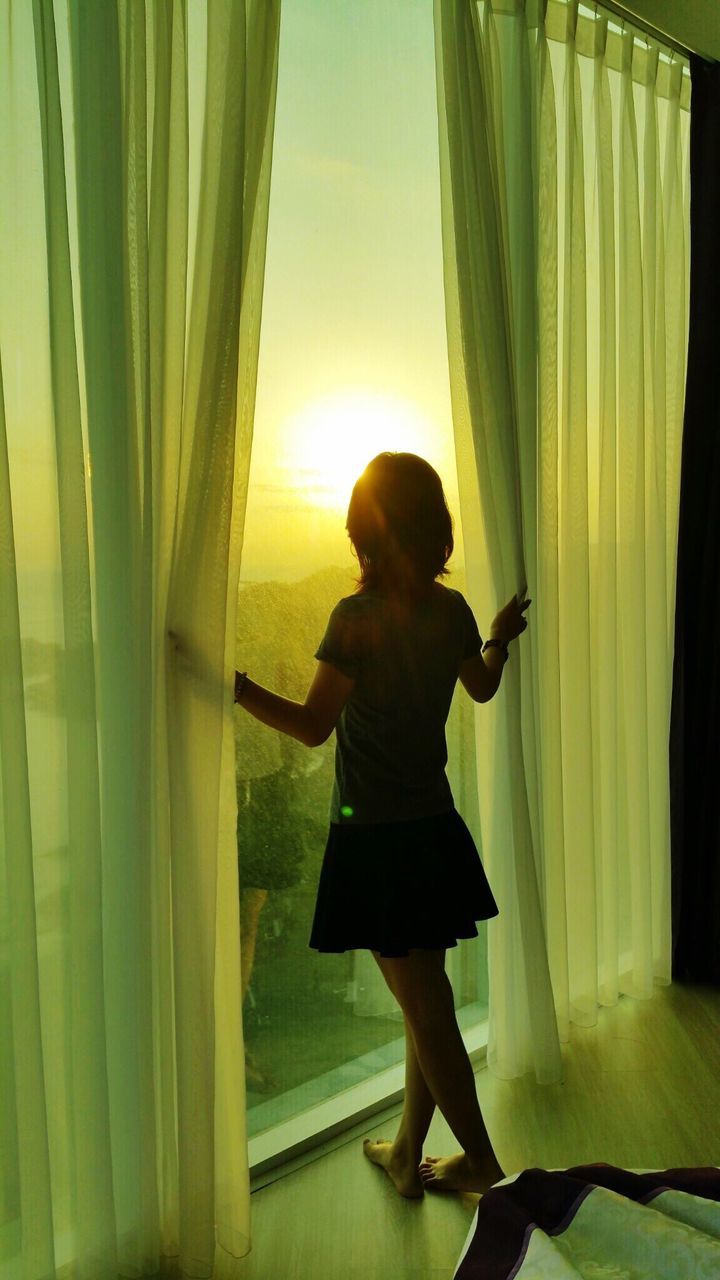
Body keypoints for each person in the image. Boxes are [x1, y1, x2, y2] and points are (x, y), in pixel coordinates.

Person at [179, 451, 531, 1199]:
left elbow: (311, 728)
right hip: (433, 830)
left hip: (377, 840)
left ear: (367, 532)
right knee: (424, 1000)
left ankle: (480, 1159)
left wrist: (232, 685)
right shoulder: (452, 610)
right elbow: (484, 686)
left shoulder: (357, 618)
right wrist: (498, 634)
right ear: (432, 528)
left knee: (424, 1006)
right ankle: (408, 1154)